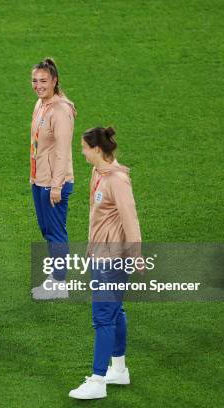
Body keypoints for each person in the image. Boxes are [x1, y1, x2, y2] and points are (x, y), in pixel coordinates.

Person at [69, 127, 142, 400]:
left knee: (103, 318)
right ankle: (119, 370)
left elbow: (130, 217)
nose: (82, 152)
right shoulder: (99, 172)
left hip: (112, 259)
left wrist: (135, 255)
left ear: (97, 149)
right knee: (115, 311)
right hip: (99, 254)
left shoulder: (118, 180)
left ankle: (98, 380)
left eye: (85, 148)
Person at [28, 58, 78, 300]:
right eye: (35, 80)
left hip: (54, 183)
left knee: (56, 232)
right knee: (47, 230)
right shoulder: (40, 104)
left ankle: (60, 283)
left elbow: (62, 152)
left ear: (55, 81)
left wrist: (56, 186)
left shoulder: (60, 111)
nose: (38, 85)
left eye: (43, 81)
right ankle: (54, 279)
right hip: (40, 180)